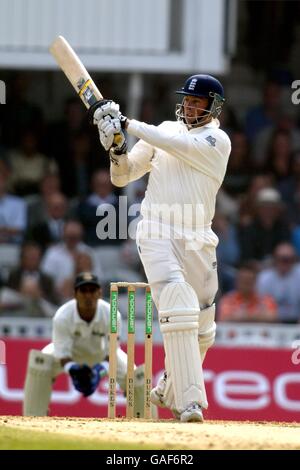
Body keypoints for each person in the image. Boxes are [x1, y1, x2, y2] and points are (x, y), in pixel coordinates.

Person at [91, 74, 231, 422]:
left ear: (213, 107)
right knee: (177, 300)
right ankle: (190, 403)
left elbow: (176, 145)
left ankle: (168, 388)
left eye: (197, 101)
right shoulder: (164, 130)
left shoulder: (217, 140)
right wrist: (117, 149)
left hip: (198, 236)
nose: (189, 105)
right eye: (186, 99)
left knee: (203, 327)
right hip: (156, 229)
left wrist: (127, 122)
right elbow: (123, 177)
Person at [23, 272, 148, 417]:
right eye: (83, 291)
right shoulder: (62, 315)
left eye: (92, 290)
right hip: (71, 357)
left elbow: (111, 353)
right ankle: (33, 417)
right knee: (41, 361)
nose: (88, 295)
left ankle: (144, 421)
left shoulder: (112, 314)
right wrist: (74, 369)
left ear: (99, 293)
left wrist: (98, 372)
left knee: (136, 375)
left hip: (102, 356)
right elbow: (62, 354)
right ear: (75, 294)